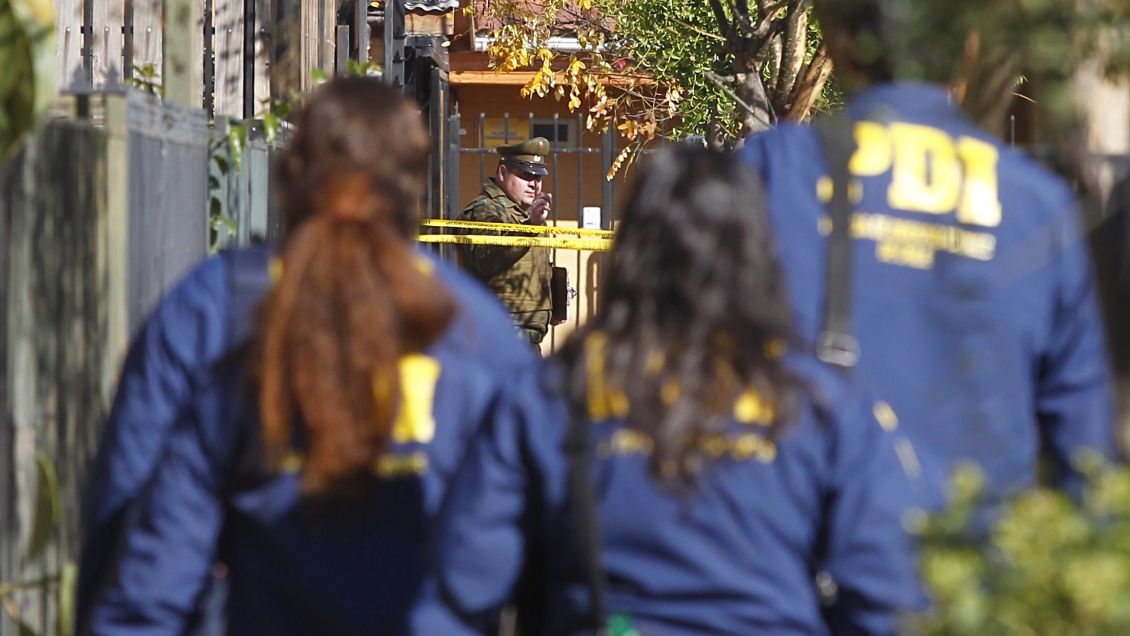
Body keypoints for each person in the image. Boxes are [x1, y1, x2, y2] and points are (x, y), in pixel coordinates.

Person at [79, 77, 534, 635]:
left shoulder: (213, 309)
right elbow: (533, 542)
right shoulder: (476, 330)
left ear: (290, 177)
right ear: (414, 188)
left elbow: (131, 517)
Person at [438, 147, 924, 635]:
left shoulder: (549, 397)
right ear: (759, 252)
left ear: (632, 250)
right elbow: (889, 589)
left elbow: (464, 586)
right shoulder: (820, 402)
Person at [737, 0, 1115, 503]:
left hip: (807, 524)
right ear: (968, 50)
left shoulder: (773, 168)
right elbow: (1085, 447)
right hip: (976, 537)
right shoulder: (1040, 205)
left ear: (843, 47)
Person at [457, 137, 555, 346]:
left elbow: (537, 266)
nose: (533, 184)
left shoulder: (527, 215)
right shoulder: (484, 211)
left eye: (538, 177)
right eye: (525, 175)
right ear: (503, 173)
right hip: (495, 335)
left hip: (525, 337)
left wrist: (554, 302)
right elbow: (488, 259)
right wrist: (530, 227)